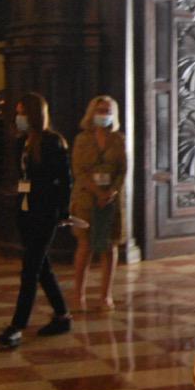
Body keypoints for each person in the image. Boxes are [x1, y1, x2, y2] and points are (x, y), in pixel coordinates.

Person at [0, 92, 73, 349]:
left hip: (45, 212)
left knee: (30, 270)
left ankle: (17, 326)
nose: (18, 117)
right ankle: (62, 314)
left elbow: (64, 180)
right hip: (26, 210)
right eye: (17, 112)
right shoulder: (22, 142)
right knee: (41, 266)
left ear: (35, 114)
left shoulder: (54, 142)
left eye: (22, 112)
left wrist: (62, 211)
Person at [71, 95, 127, 310]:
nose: (103, 115)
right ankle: (78, 295)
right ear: (91, 113)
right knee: (84, 246)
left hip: (111, 199)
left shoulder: (118, 139)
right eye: (99, 110)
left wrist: (111, 190)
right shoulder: (82, 140)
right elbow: (78, 170)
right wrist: (96, 191)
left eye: (107, 111)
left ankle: (105, 295)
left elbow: (122, 169)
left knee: (109, 246)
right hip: (86, 198)